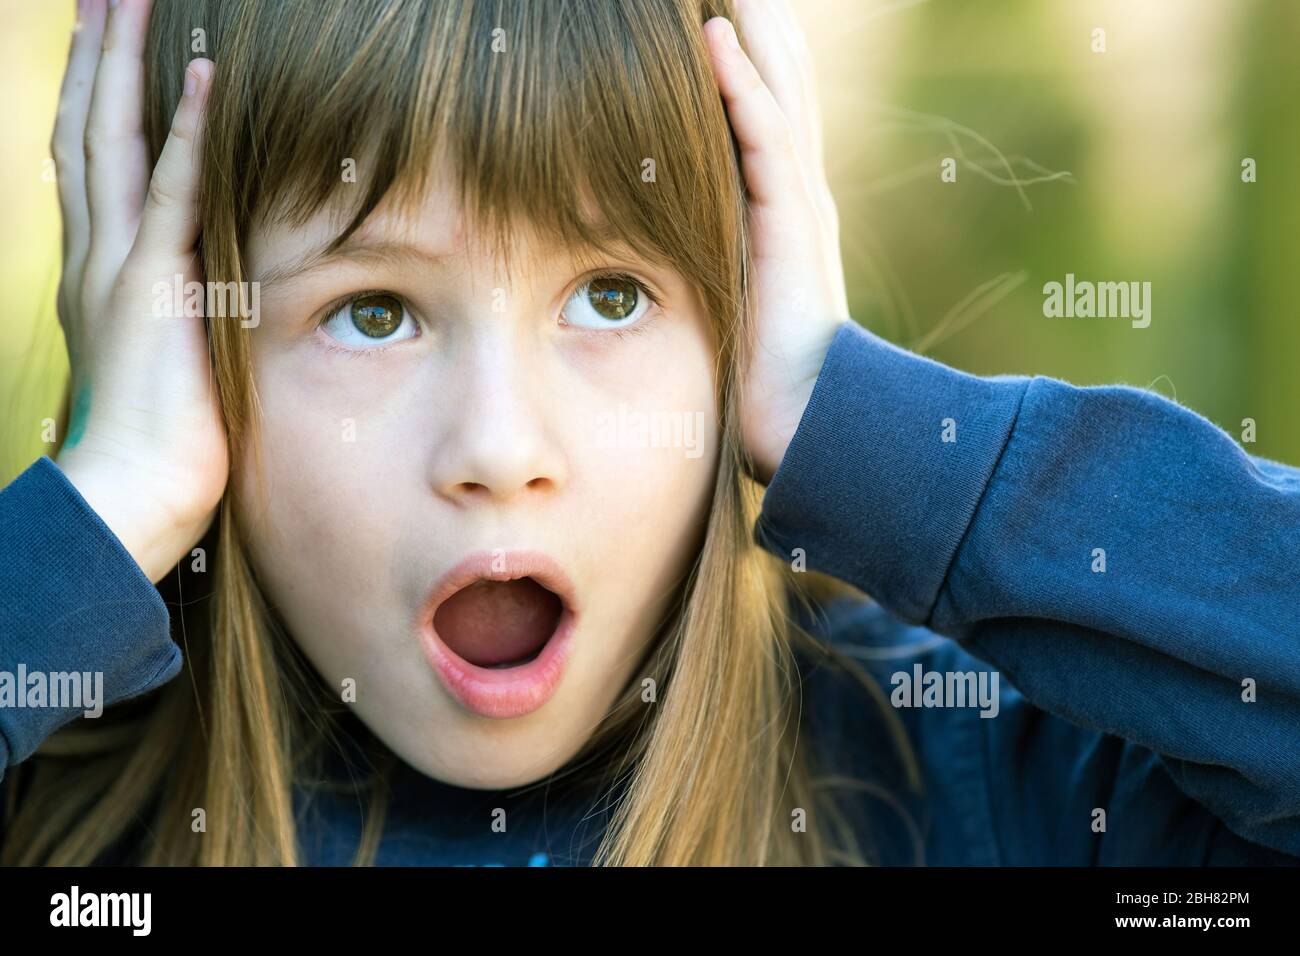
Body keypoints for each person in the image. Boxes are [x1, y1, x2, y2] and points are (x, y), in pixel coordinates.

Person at [1, 0, 1296, 866]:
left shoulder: (972, 786)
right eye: (374, 311)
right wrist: (106, 502)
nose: (501, 449)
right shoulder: (63, 803)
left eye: (610, 297)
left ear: (738, 325)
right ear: (182, 341)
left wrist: (858, 426)